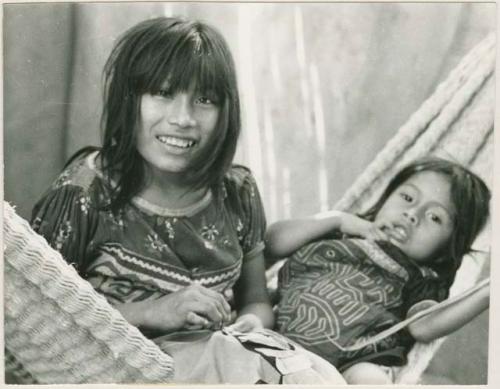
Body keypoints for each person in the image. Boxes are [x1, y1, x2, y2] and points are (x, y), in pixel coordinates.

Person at [30, 17, 345, 384]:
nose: (183, 118)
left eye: (204, 100)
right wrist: (153, 311)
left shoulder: (237, 191)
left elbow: (256, 300)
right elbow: (38, 315)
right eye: (163, 93)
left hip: (227, 362)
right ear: (129, 99)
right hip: (124, 370)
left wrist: (249, 323)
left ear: (225, 111)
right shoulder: (82, 194)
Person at [265, 157, 491, 384]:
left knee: (371, 379)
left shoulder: (419, 277)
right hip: (276, 336)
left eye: (434, 217)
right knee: (250, 319)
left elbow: (423, 326)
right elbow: (274, 242)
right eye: (407, 197)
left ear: (446, 249)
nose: (412, 213)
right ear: (385, 198)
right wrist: (337, 219)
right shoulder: (341, 234)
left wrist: (487, 293)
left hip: (349, 364)